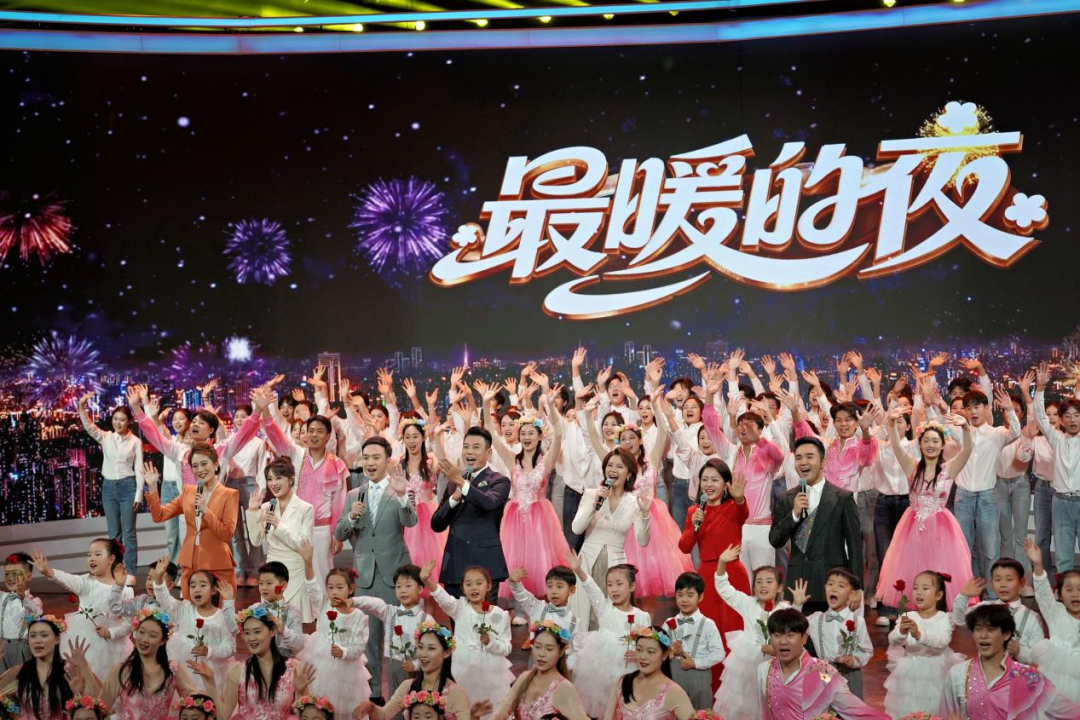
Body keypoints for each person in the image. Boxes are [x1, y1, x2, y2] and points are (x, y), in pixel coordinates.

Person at [334, 436, 415, 703]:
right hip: (364, 575)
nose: (370, 463)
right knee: (368, 640)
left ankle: (400, 697)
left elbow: (410, 521)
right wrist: (350, 517)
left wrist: (402, 495)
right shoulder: (354, 495)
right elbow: (339, 533)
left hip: (395, 576)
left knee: (398, 637)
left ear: (388, 460)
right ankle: (374, 696)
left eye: (376, 457)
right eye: (366, 457)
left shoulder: (401, 489)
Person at [877, 412, 975, 610]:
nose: (931, 445)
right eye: (927, 441)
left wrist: (965, 428)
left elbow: (967, 450)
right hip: (912, 526)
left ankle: (939, 613)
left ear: (942, 445)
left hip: (941, 528)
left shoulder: (949, 468)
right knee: (912, 567)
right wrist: (891, 423)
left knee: (939, 567)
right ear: (920, 444)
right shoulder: (911, 466)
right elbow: (896, 445)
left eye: (935, 441)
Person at [676, 457, 749, 688]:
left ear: (726, 483)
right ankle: (712, 689)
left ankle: (737, 688)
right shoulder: (694, 511)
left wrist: (739, 498)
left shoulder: (733, 506)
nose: (709, 484)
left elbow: (743, 513)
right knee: (711, 631)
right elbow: (684, 546)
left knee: (734, 630)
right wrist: (694, 526)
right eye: (705, 479)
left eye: (715, 479)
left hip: (732, 574)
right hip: (706, 575)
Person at [769, 437, 863, 614]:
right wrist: (794, 514)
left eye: (809, 457)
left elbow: (855, 546)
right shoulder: (787, 499)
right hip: (798, 586)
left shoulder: (842, 497)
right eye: (798, 458)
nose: (803, 462)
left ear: (823, 461)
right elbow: (775, 540)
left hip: (832, 584)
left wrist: (857, 586)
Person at [939, 604, 1080, 719]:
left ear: (1006, 634)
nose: (983, 636)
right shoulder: (958, 674)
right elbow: (946, 715)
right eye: (978, 629)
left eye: (991, 630)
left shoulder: (1028, 676)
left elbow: (1066, 711)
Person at [713, 547, 807, 718]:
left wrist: (798, 605)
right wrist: (721, 563)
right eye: (759, 582)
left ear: (779, 588)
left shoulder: (784, 609)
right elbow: (724, 588)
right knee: (747, 708)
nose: (763, 585)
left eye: (769, 581)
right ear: (754, 587)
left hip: (777, 667)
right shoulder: (747, 603)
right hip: (747, 666)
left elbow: (794, 631)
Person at [263, 409, 349, 593]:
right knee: (293, 577)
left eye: (319, 431)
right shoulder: (296, 455)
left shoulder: (337, 464)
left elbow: (339, 503)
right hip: (294, 527)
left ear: (328, 436)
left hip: (321, 530)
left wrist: (337, 534)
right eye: (311, 431)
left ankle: (323, 612)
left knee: (321, 577)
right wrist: (264, 411)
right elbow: (276, 437)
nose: (314, 435)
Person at [143, 446, 241, 600]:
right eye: (195, 466)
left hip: (217, 563)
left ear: (216, 464)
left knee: (222, 611)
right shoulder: (188, 491)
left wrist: (206, 511)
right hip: (190, 562)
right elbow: (159, 515)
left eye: (204, 464)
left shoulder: (229, 495)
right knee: (189, 610)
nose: (200, 469)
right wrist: (153, 487)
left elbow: (226, 535)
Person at [569, 448, 651, 629]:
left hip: (616, 566)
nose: (613, 470)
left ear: (629, 473)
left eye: (619, 466)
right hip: (587, 562)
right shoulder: (591, 494)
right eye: (610, 465)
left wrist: (645, 513)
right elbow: (576, 528)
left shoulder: (634, 502)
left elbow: (643, 541)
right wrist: (593, 505)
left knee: (612, 618)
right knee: (583, 615)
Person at [758, 609, 888, 719]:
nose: (783, 642)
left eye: (790, 635)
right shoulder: (764, 669)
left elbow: (856, 711)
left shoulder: (823, 672)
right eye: (777, 635)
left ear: (804, 638)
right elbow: (764, 713)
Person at [566, 552, 652, 719]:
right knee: (602, 702)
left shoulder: (642, 616)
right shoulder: (604, 608)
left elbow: (648, 645)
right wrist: (578, 570)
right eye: (610, 585)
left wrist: (638, 654)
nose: (614, 589)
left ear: (632, 586)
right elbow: (592, 589)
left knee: (626, 703)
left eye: (619, 584)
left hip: (629, 665)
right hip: (602, 664)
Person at [189, 607, 315, 720]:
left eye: (257, 631)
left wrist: (301, 692)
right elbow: (223, 716)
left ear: (272, 631)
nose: (251, 638)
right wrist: (210, 681)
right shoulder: (238, 671)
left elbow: (307, 716)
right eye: (247, 633)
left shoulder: (294, 668)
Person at [28, 544, 132, 680]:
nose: (91, 558)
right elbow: (65, 578)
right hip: (82, 641)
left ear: (111, 559)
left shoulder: (125, 590)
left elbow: (128, 625)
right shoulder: (85, 582)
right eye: (89, 555)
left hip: (112, 647)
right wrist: (47, 571)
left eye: (97, 554)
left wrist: (110, 633)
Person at [953, 386, 1022, 593]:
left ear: (986, 408)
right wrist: (930, 404)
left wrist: (1009, 409)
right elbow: (936, 424)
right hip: (963, 497)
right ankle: (970, 594)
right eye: (968, 408)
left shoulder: (997, 433)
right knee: (964, 549)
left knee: (991, 550)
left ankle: (992, 596)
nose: (972, 412)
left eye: (976, 407)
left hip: (987, 497)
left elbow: (1016, 432)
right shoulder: (960, 431)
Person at [431, 427, 512, 601]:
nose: (469, 452)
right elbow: (436, 524)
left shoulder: (499, 480)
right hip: (455, 565)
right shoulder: (453, 483)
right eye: (466, 447)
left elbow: (488, 502)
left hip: (485, 565)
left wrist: (461, 482)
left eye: (476, 447)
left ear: (488, 453)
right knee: (456, 617)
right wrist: (454, 498)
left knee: (485, 617)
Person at [422, 564, 513, 716]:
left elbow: (506, 647)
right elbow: (443, 599)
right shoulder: (460, 608)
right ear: (463, 589)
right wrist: (427, 580)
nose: (474, 587)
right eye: (468, 584)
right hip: (463, 671)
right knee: (464, 708)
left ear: (488, 586)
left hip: (490, 674)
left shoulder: (499, 615)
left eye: (479, 583)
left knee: (491, 710)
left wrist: (490, 642)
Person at [296, 538, 371, 718]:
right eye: (330, 588)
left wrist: (344, 652)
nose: (334, 592)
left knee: (343, 706)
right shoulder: (324, 606)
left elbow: (359, 646)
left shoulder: (359, 617)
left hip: (345, 671)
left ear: (350, 589)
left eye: (339, 587)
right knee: (317, 701)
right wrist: (308, 562)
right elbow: (312, 588)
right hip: (320, 664)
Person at [84, 608, 202, 718]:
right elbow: (101, 710)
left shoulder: (173, 669)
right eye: (141, 632)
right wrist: (83, 668)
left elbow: (194, 706)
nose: (144, 639)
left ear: (163, 640)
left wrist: (208, 680)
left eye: (152, 635)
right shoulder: (121, 671)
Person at [351, 563, 434, 716]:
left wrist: (416, 664)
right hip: (393, 665)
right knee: (394, 705)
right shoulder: (390, 612)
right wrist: (353, 601)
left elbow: (433, 651)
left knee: (416, 705)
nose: (403, 590)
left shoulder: (426, 619)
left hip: (416, 669)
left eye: (408, 585)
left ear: (420, 589)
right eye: (398, 586)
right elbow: (374, 603)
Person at [77, 394, 142, 586]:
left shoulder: (135, 442)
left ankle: (131, 572)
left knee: (129, 532)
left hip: (128, 487)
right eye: (115, 419)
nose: (118, 423)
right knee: (114, 534)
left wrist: (139, 494)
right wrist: (81, 406)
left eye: (122, 420)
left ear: (129, 421)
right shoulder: (106, 437)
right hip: (109, 487)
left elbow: (139, 469)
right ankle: (116, 571)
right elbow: (89, 427)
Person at [882, 571, 963, 718]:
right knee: (908, 708)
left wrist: (919, 635)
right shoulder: (908, 616)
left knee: (934, 708)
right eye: (915, 588)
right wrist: (901, 632)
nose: (918, 592)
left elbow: (942, 641)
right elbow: (893, 640)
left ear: (938, 595)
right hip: (910, 670)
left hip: (936, 671)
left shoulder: (944, 618)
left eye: (925, 588)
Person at [148, 557, 236, 691]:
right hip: (186, 672)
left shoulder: (222, 617)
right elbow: (164, 600)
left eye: (203, 585)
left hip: (212, 675)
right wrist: (159, 579)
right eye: (193, 586)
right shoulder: (184, 609)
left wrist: (209, 651)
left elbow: (230, 647)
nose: (197, 589)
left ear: (213, 590)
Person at [353, 620, 472, 720]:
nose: (423, 654)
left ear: (446, 652)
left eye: (431, 648)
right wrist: (370, 707)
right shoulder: (408, 686)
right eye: (420, 647)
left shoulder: (456, 693)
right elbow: (384, 715)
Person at [245, 456, 315, 622]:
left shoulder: (305, 509)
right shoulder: (266, 507)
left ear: (291, 480)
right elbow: (256, 541)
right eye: (270, 479)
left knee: (296, 624)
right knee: (271, 624)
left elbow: (302, 544)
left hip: (296, 571)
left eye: (278, 478)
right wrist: (253, 511)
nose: (273, 483)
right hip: (272, 570)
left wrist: (279, 525)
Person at [1032, 363, 1080, 573]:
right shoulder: (1056, 438)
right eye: (1067, 416)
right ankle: (1063, 592)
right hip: (1060, 503)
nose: (1072, 420)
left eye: (1076, 415)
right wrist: (1040, 388)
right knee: (1063, 557)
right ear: (1061, 420)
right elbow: (1040, 416)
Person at [951, 559, 1045, 664]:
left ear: (1021, 583)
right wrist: (963, 596)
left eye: (1009, 579)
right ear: (991, 583)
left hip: (1018, 672)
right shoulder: (984, 608)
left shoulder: (1031, 617)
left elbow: (1039, 656)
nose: (1003, 585)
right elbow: (959, 620)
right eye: (998, 579)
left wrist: (1020, 652)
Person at [490, 621, 589, 720]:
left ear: (561, 652)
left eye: (549, 649)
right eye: (537, 647)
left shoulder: (563, 687)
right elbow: (503, 709)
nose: (541, 654)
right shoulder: (525, 677)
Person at [1024, 538, 1080, 703]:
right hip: (1056, 677)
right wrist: (1038, 565)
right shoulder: (1055, 612)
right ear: (1059, 595)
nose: (1075, 594)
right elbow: (1043, 593)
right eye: (1069, 589)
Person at [803, 568, 873, 698]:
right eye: (830, 584)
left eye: (841, 586)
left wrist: (854, 660)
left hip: (850, 674)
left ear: (851, 594)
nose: (834, 589)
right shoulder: (816, 619)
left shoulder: (857, 621)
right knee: (826, 708)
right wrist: (797, 605)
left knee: (852, 707)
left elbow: (867, 650)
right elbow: (793, 627)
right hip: (824, 674)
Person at [660, 573, 725, 709]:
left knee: (701, 713)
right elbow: (658, 652)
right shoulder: (667, 623)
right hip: (674, 676)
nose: (684, 600)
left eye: (690, 595)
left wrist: (696, 663)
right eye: (680, 595)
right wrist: (670, 652)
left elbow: (719, 653)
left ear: (700, 597)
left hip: (700, 677)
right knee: (676, 711)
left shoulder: (708, 624)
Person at [603, 626, 694, 720]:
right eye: (639, 650)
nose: (643, 656)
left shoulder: (673, 691)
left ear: (664, 655)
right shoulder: (622, 682)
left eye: (650, 652)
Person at [224, 403, 270, 588]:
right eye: (237, 416)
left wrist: (262, 490)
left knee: (254, 530)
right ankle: (240, 570)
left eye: (244, 416)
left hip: (251, 486)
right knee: (235, 532)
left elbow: (262, 468)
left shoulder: (258, 443)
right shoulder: (230, 441)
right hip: (230, 485)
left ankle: (255, 570)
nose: (239, 419)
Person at [0, 613, 76, 720]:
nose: (37, 640)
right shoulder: (21, 671)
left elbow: (96, 701)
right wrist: (12, 712)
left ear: (57, 639)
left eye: (44, 635)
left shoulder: (68, 669)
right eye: (33, 636)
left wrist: (84, 668)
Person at [508, 565, 583, 671]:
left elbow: (577, 652)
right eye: (550, 586)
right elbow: (523, 596)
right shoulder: (538, 608)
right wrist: (514, 582)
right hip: (536, 665)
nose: (554, 591)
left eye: (559, 586)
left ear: (571, 590)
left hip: (560, 669)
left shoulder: (574, 622)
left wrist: (564, 667)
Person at [244, 562, 305, 658]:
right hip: (259, 662)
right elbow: (234, 628)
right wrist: (228, 601)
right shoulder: (255, 609)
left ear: (283, 586)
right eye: (261, 583)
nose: (264, 587)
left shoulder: (292, 612)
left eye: (269, 583)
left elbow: (299, 645)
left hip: (284, 662)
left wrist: (283, 630)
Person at [0, 554, 43, 673]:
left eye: (15, 574)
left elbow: (35, 615)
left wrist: (23, 598)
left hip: (21, 648)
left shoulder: (34, 601)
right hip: (2, 646)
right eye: (7, 574)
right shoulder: (2, 597)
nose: (10, 578)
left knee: (22, 678)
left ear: (28, 576)